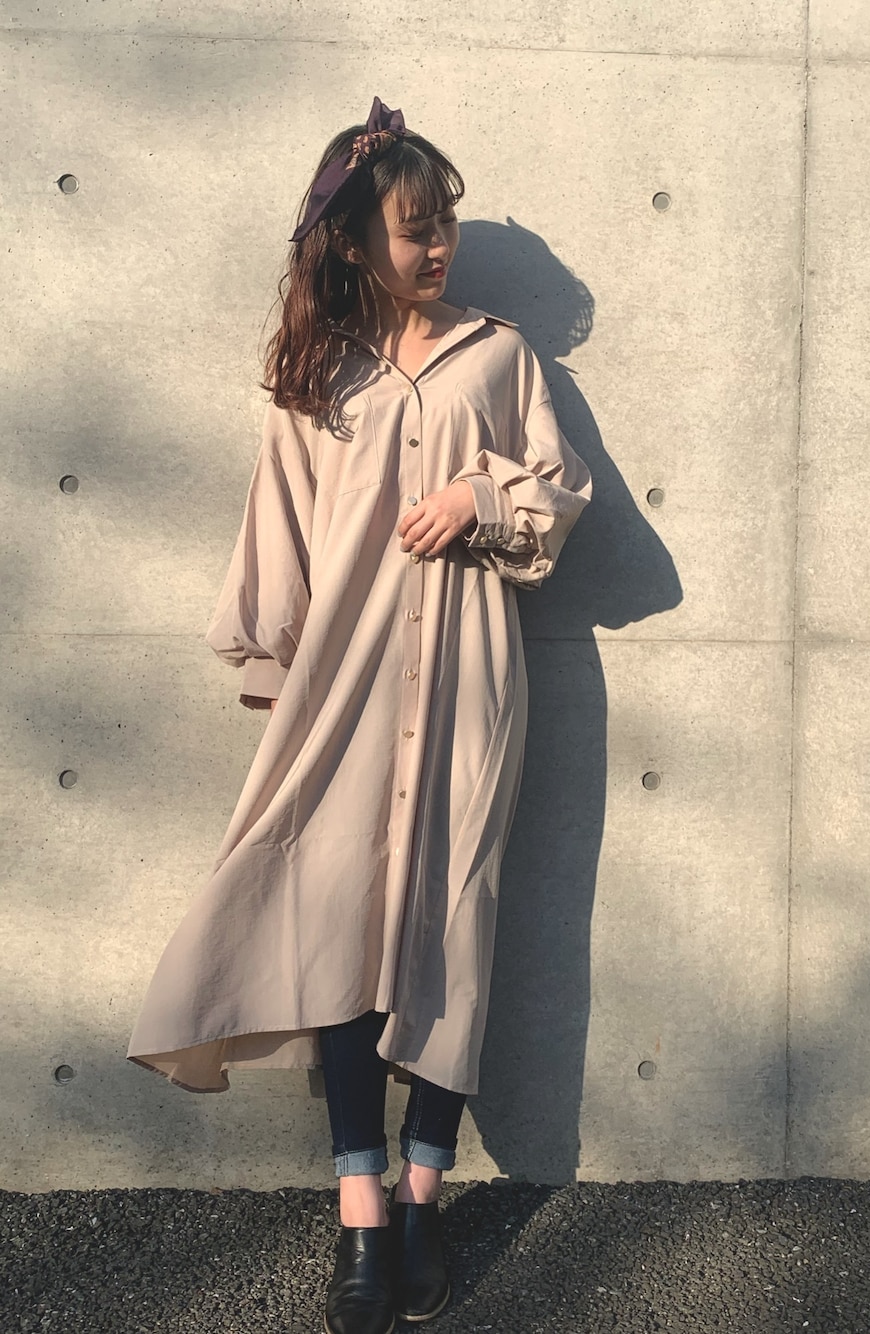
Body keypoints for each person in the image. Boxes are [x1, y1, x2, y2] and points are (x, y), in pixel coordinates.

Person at [127, 97, 592, 1334]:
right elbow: (278, 527)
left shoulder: (499, 355)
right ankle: (360, 1208)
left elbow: (560, 492)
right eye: (413, 226)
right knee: (331, 926)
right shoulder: (317, 375)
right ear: (355, 238)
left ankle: (425, 1196)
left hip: (470, 681)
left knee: (452, 924)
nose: (436, 246)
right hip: (344, 684)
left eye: (444, 224)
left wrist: (478, 497)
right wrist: (279, 678)